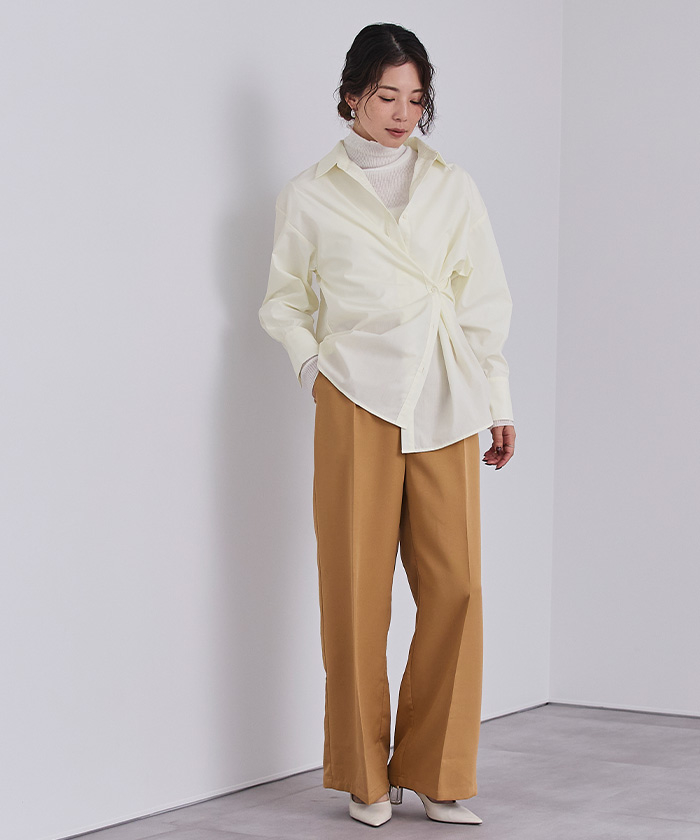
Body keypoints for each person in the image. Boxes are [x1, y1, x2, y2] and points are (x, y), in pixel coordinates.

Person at [258, 22, 515, 827]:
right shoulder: (310, 193)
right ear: (351, 98)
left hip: (445, 392)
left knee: (457, 588)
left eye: (415, 98)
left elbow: (483, 299)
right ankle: (365, 778)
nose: (403, 113)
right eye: (386, 97)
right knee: (356, 592)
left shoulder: (452, 185)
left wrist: (498, 398)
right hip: (355, 394)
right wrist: (315, 370)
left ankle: (438, 771)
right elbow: (283, 301)